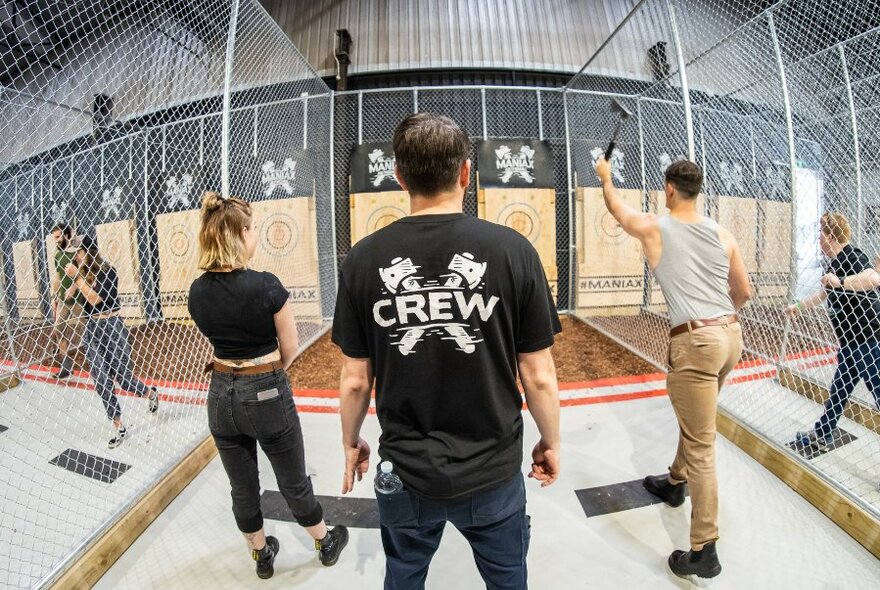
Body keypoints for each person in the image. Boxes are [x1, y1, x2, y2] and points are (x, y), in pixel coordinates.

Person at [333, 113, 561, 590]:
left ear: (399, 177)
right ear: (465, 173)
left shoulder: (362, 260)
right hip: (493, 470)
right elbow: (538, 374)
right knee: (507, 582)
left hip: (405, 470)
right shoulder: (513, 251)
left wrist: (350, 442)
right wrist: (550, 442)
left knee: (404, 578)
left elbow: (356, 379)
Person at [595, 157, 750, 579]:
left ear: (668, 190)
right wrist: (717, 324)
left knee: (702, 445)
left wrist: (606, 178)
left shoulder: (655, 227)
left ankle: (704, 549)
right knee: (696, 421)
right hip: (730, 337)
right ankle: (674, 482)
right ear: (697, 190)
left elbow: (617, 209)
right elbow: (744, 291)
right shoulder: (723, 233)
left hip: (696, 342)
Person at [188, 192, 348, 580]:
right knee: (292, 480)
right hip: (264, 391)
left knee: (242, 487)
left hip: (220, 394)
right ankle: (324, 541)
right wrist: (269, 375)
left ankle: (261, 556)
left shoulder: (197, 291)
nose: (255, 233)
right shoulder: (266, 286)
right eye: (253, 227)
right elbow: (289, 349)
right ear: (240, 234)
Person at [786, 212, 880, 449]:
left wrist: (840, 282)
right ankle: (824, 433)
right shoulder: (836, 263)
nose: (818, 240)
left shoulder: (852, 256)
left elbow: (873, 278)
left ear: (829, 236)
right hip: (850, 343)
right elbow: (824, 294)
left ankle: (824, 432)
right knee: (838, 392)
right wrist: (798, 307)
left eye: (821, 236)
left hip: (869, 342)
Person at [63, 235, 159, 448]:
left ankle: (150, 393)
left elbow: (97, 299)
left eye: (78, 253)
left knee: (124, 378)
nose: (76, 258)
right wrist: (72, 288)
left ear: (89, 251)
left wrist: (77, 280)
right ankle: (119, 425)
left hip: (113, 326)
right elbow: (80, 301)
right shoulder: (83, 274)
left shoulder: (108, 271)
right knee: (101, 380)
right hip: (92, 330)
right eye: (74, 255)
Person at [50, 223, 85, 379]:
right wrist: (54, 296)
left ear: (67, 235)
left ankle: (108, 366)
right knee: (58, 330)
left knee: (90, 331)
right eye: (54, 238)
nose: (56, 240)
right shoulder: (57, 256)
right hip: (64, 301)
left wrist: (75, 287)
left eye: (58, 237)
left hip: (79, 299)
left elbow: (87, 272)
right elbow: (58, 277)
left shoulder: (78, 252)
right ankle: (66, 368)